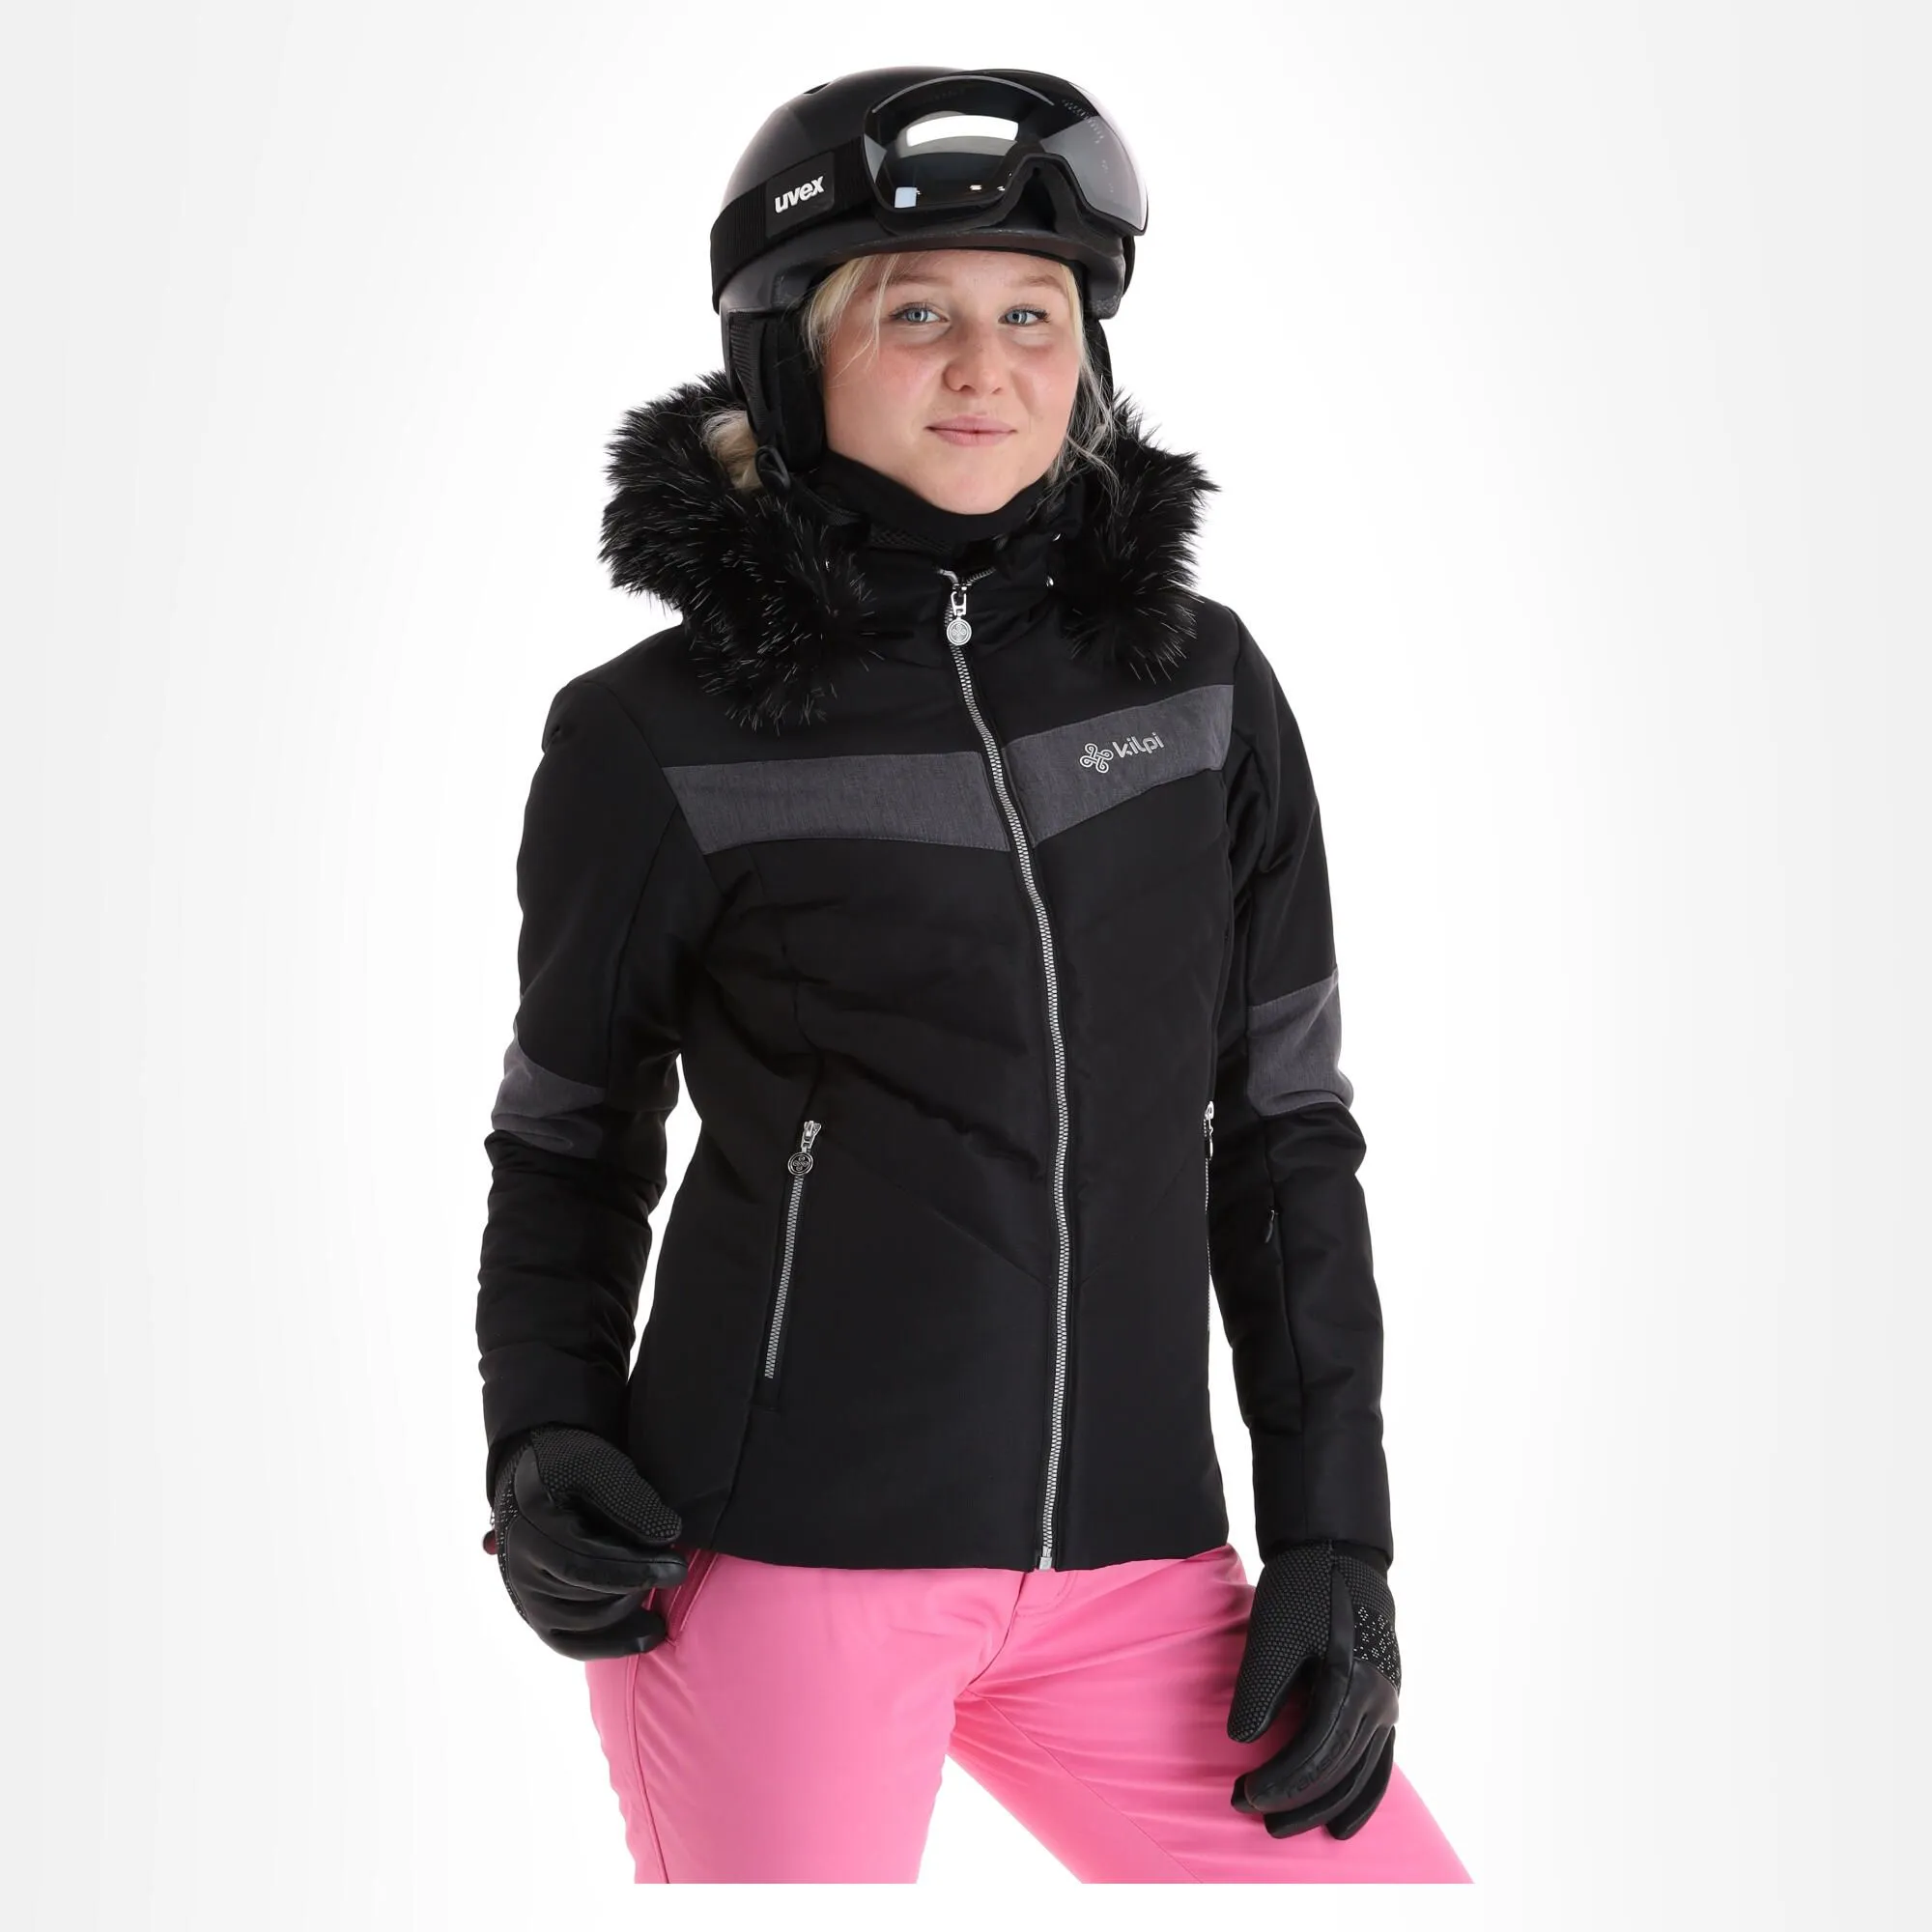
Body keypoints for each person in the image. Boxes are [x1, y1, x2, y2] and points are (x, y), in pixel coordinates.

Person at [474, 66, 1471, 1885]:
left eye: (1034, 315)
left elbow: (1285, 1133)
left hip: (1141, 1573)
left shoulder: (1201, 690)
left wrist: (1339, 1536)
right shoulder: (655, 734)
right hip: (779, 1567)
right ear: (793, 356)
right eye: (916, 312)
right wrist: (540, 1436)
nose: (985, 368)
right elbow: (566, 1137)